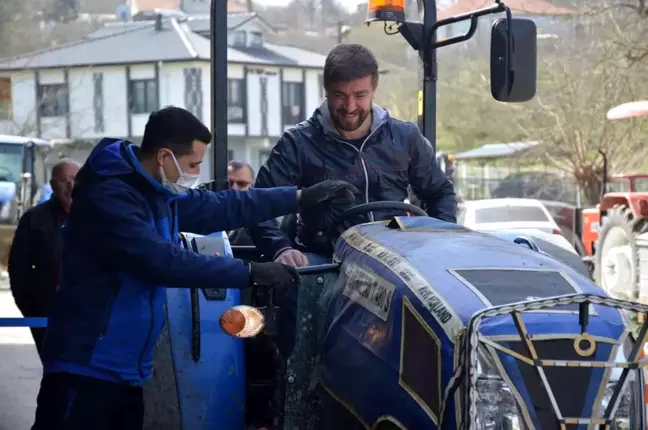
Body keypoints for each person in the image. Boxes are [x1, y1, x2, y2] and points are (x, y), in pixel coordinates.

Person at [30, 106, 357, 430]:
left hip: (126, 368)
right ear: (164, 158)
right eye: (192, 164)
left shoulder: (157, 193)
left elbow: (223, 205)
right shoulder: (111, 198)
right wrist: (250, 272)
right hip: (87, 365)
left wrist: (298, 197)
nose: (195, 172)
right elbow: (163, 262)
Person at [248, 43, 457, 358]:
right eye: (340, 96)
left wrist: (436, 240)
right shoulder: (299, 144)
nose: (349, 106)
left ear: (373, 90)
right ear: (327, 92)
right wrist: (281, 248)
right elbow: (256, 206)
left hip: (395, 257)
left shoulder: (404, 138)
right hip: (325, 259)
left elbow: (440, 191)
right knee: (299, 287)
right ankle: (298, 383)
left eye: (359, 96)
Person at [8, 158, 81, 361]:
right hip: (48, 313)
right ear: (52, 185)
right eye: (64, 180)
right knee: (56, 373)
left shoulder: (98, 216)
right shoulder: (34, 219)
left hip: (89, 313)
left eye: (75, 179)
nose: (71, 186)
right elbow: (18, 269)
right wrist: (31, 308)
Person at [225, 160, 255, 246]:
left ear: (251, 186)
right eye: (229, 183)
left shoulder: (262, 220)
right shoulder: (208, 213)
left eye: (241, 184)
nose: (234, 188)